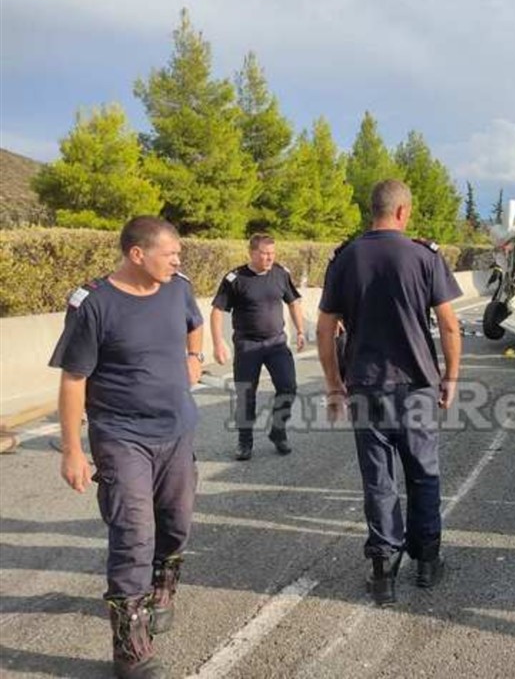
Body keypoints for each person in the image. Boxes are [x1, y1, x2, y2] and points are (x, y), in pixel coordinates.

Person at [49, 216, 203, 679]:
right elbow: (74, 379)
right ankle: (131, 648)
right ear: (137, 254)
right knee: (132, 535)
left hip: (176, 431)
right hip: (120, 437)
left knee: (176, 524)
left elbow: (194, 325)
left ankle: (162, 589)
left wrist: (194, 357)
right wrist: (72, 450)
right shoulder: (93, 303)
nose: (178, 260)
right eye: (169, 253)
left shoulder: (178, 288)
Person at [317, 179, 463, 607]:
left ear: (373, 210)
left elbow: (325, 329)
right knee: (423, 474)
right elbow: (450, 325)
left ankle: (383, 572)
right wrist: (451, 378)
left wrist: (333, 385)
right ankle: (426, 562)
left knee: (378, 480)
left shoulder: (345, 258)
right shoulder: (423, 256)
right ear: (403, 212)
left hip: (365, 385)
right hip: (416, 387)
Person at [210, 233, 305, 460]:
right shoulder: (235, 278)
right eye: (264, 254)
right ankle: (245, 442)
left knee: (288, 387)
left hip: (276, 343)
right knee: (246, 394)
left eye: (272, 253)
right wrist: (217, 343)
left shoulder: (281, 274)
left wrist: (300, 330)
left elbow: (293, 302)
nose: (269, 258)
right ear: (252, 253)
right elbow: (216, 311)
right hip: (247, 344)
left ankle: (278, 431)